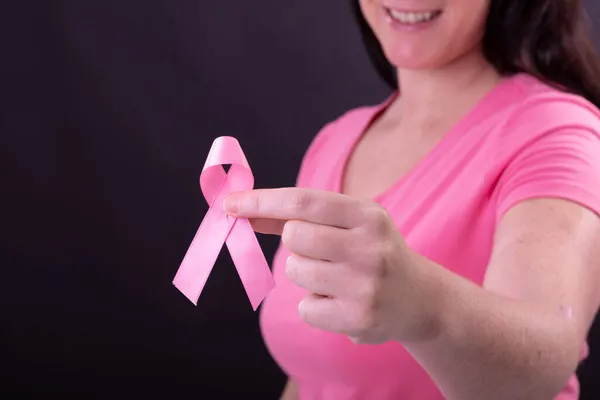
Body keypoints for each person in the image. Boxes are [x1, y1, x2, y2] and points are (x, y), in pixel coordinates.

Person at [223, 0, 600, 399]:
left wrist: (422, 304)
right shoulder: (334, 141)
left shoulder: (558, 132)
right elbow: (312, 377)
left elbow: (545, 364)